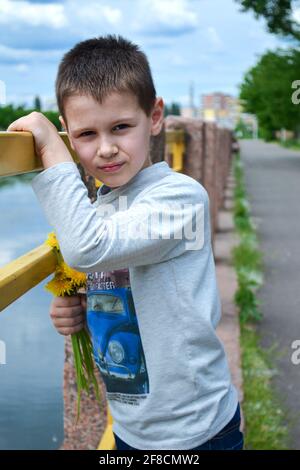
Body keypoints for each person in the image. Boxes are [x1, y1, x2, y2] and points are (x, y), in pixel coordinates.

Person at [7, 35, 243, 451]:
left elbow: (88, 248)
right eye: (85, 134)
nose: (106, 148)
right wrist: (80, 304)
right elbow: (115, 273)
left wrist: (49, 146)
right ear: (70, 133)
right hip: (131, 427)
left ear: (154, 117)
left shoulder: (179, 199)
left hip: (195, 430)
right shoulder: (103, 206)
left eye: (120, 127)